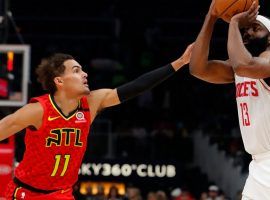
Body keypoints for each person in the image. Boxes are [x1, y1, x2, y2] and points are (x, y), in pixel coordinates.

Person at [1, 43, 193, 199]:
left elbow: (137, 86)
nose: (84, 74)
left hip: (61, 194)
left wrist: (179, 62)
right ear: (59, 81)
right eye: (76, 71)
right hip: (25, 193)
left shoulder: (92, 103)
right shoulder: (37, 110)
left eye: (83, 70)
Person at [189, 0, 270, 199]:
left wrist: (234, 23)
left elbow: (245, 65)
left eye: (255, 28)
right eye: (245, 30)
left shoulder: (261, 62)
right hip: (258, 164)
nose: (248, 33)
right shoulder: (240, 67)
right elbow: (198, 69)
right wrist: (211, 17)